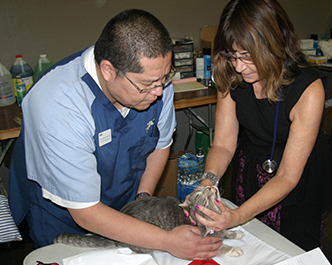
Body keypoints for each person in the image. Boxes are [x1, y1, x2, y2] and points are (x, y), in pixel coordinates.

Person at [9, 9, 222, 260]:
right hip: (65, 217)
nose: (159, 92)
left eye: (165, 78)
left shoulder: (154, 81)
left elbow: (160, 144)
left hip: (125, 208)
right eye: (148, 85)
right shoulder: (58, 105)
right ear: (108, 70)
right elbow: (85, 211)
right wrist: (166, 240)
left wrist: (143, 204)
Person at [194, 0, 332, 251]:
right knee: (248, 247)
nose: (238, 66)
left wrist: (237, 216)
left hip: (297, 182)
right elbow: (224, 144)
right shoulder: (232, 73)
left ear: (272, 46)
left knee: (291, 250)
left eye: (247, 57)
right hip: (251, 169)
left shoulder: (308, 90)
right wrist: (209, 180)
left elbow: (288, 175)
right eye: (232, 55)